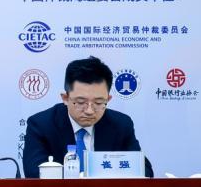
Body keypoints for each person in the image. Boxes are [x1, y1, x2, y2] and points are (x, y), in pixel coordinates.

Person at [23, 56, 153, 178]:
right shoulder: (41, 125)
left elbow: (145, 171)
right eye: (80, 102)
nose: (89, 111)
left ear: (108, 99)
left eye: (98, 103)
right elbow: (34, 173)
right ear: (65, 98)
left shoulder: (121, 124)